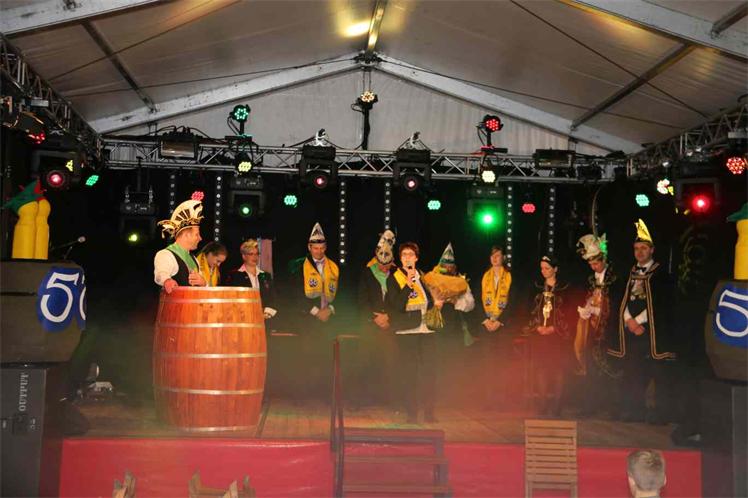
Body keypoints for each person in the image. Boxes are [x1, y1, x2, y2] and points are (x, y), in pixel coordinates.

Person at [608, 219, 676, 423]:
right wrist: (629, 320)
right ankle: (633, 410)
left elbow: (660, 304)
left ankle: (658, 413)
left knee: (657, 372)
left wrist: (638, 321)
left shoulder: (660, 274)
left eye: (644, 248)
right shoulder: (627, 273)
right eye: (637, 248)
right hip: (631, 330)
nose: (639, 252)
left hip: (652, 331)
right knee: (632, 371)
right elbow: (620, 299)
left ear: (652, 250)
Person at [385, 242, 443, 424]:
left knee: (430, 372)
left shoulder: (424, 277)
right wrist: (408, 285)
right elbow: (396, 305)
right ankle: (411, 413)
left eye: (410, 254)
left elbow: (428, 300)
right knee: (410, 374)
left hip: (426, 330)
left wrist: (437, 303)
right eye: (404, 255)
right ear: (400, 259)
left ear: (416, 258)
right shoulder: (394, 278)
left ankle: (429, 412)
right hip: (407, 332)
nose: (407, 258)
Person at [574, 234, 622, 416]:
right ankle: (590, 406)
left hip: (608, 328)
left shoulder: (613, 278)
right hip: (592, 328)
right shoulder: (591, 279)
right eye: (591, 264)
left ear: (603, 260)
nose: (594, 267)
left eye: (596, 263)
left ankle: (611, 407)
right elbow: (589, 296)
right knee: (590, 366)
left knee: (608, 367)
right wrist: (587, 308)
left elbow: (615, 303)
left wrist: (600, 311)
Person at [524, 255, 572, 417]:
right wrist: (537, 326)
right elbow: (529, 309)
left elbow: (569, 312)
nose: (544, 271)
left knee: (557, 370)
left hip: (557, 337)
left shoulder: (564, 288)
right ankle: (542, 405)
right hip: (539, 335)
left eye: (547, 268)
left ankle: (557, 406)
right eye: (542, 268)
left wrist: (554, 328)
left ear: (555, 269)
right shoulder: (537, 287)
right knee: (541, 369)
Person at [357, 230, 397, 406]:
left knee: (390, 364)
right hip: (370, 325)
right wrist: (375, 318)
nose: (383, 268)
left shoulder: (398, 274)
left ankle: (389, 400)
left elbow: (401, 301)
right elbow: (362, 300)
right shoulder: (367, 273)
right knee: (365, 362)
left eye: (387, 265)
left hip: (390, 326)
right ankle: (362, 399)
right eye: (381, 264)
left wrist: (389, 317)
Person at [478, 245, 513, 408]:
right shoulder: (484, 276)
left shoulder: (510, 276)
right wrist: (485, 320)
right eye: (492, 255)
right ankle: (488, 399)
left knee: (502, 363)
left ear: (504, 257)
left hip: (503, 326)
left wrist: (500, 320)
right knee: (487, 364)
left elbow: (515, 301)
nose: (494, 258)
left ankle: (502, 399)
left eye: (498, 255)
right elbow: (476, 299)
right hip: (487, 325)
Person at [153, 199, 207, 293]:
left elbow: (203, 288)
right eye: (197, 234)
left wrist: (203, 283)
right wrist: (167, 280)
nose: (200, 238)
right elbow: (161, 274)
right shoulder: (166, 254)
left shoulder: (194, 258)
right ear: (186, 235)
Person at [223, 239, 277, 320]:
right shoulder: (234, 275)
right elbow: (230, 299)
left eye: (257, 254)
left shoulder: (266, 276)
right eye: (251, 254)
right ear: (244, 256)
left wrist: (266, 314)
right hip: (242, 318)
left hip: (264, 320)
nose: (255, 257)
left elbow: (272, 298)